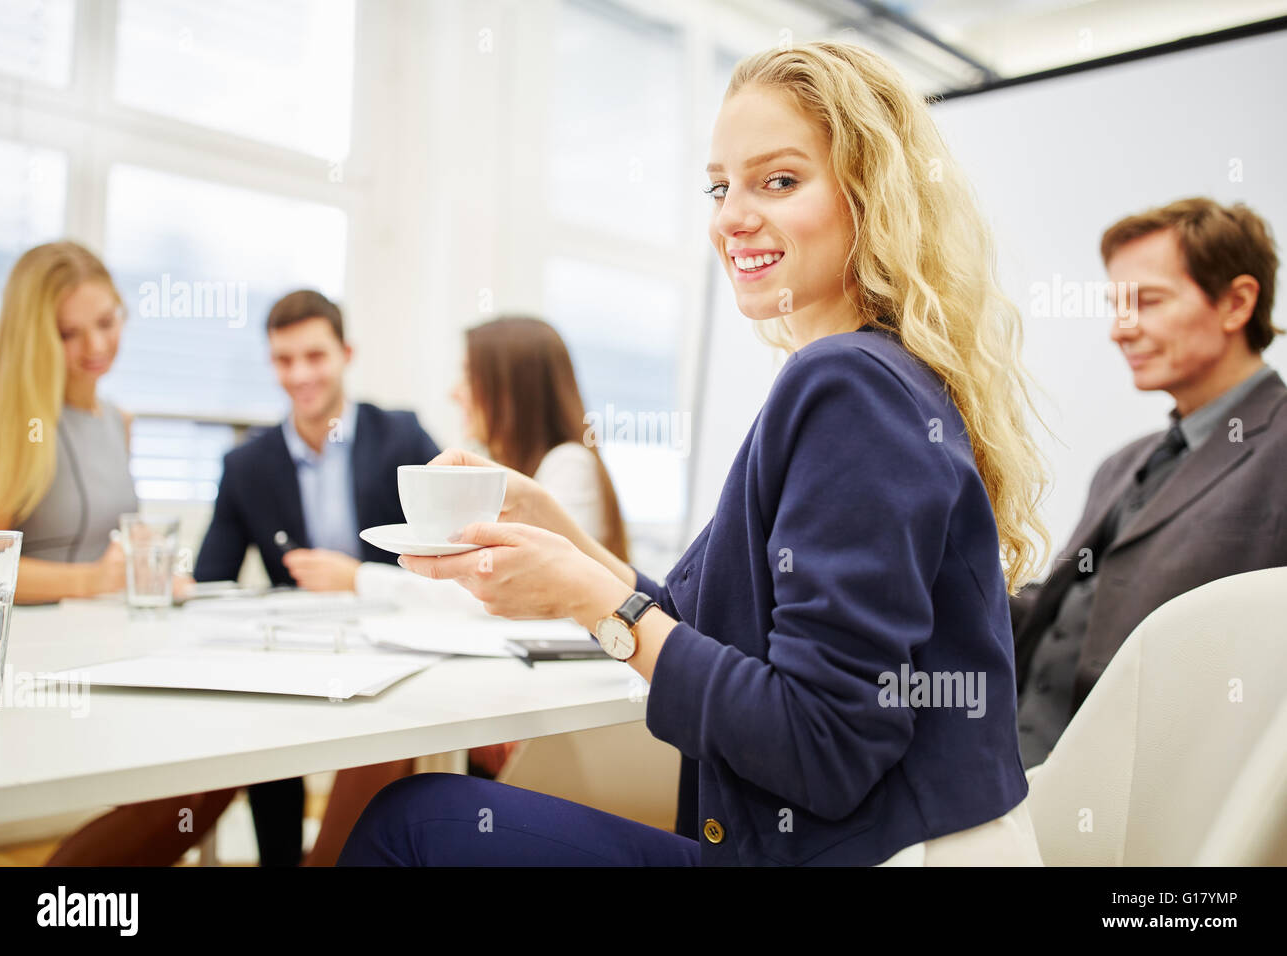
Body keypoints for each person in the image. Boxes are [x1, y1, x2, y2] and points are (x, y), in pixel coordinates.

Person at [337, 40, 1050, 866]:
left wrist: (589, 599)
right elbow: (706, 630)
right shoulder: (870, 378)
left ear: (873, 194)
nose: (731, 217)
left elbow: (820, 747)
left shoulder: (848, 385)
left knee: (412, 822)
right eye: (720, 187)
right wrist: (559, 535)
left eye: (778, 181)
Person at [1012, 197, 1284, 768]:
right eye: (1116, 305)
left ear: (1236, 303)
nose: (1119, 329)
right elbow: (1055, 610)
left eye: (1148, 302)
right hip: (1028, 788)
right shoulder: (1121, 464)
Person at [0, 240, 236, 864]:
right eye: (70, 332)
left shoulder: (116, 419)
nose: (96, 346)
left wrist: (150, 566)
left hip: (106, 645)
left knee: (218, 761)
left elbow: (111, 539)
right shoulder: (10, 422)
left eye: (107, 322)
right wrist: (94, 579)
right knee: (190, 775)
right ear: (35, 337)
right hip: (33, 662)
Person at [308, 315, 629, 778]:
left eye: (468, 377)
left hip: (555, 715)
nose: (455, 392)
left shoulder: (567, 466)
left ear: (508, 389)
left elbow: (486, 589)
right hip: (516, 685)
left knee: (391, 733)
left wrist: (360, 578)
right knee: (389, 731)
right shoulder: (508, 468)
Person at [188, 289, 442, 866]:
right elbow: (211, 577)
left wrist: (356, 577)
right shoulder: (246, 465)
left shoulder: (401, 436)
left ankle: (348, 854)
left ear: (345, 353)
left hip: (395, 642)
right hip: (294, 651)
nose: (299, 374)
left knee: (390, 741)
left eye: (314, 356)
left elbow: (447, 549)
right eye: (284, 359)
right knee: (265, 730)